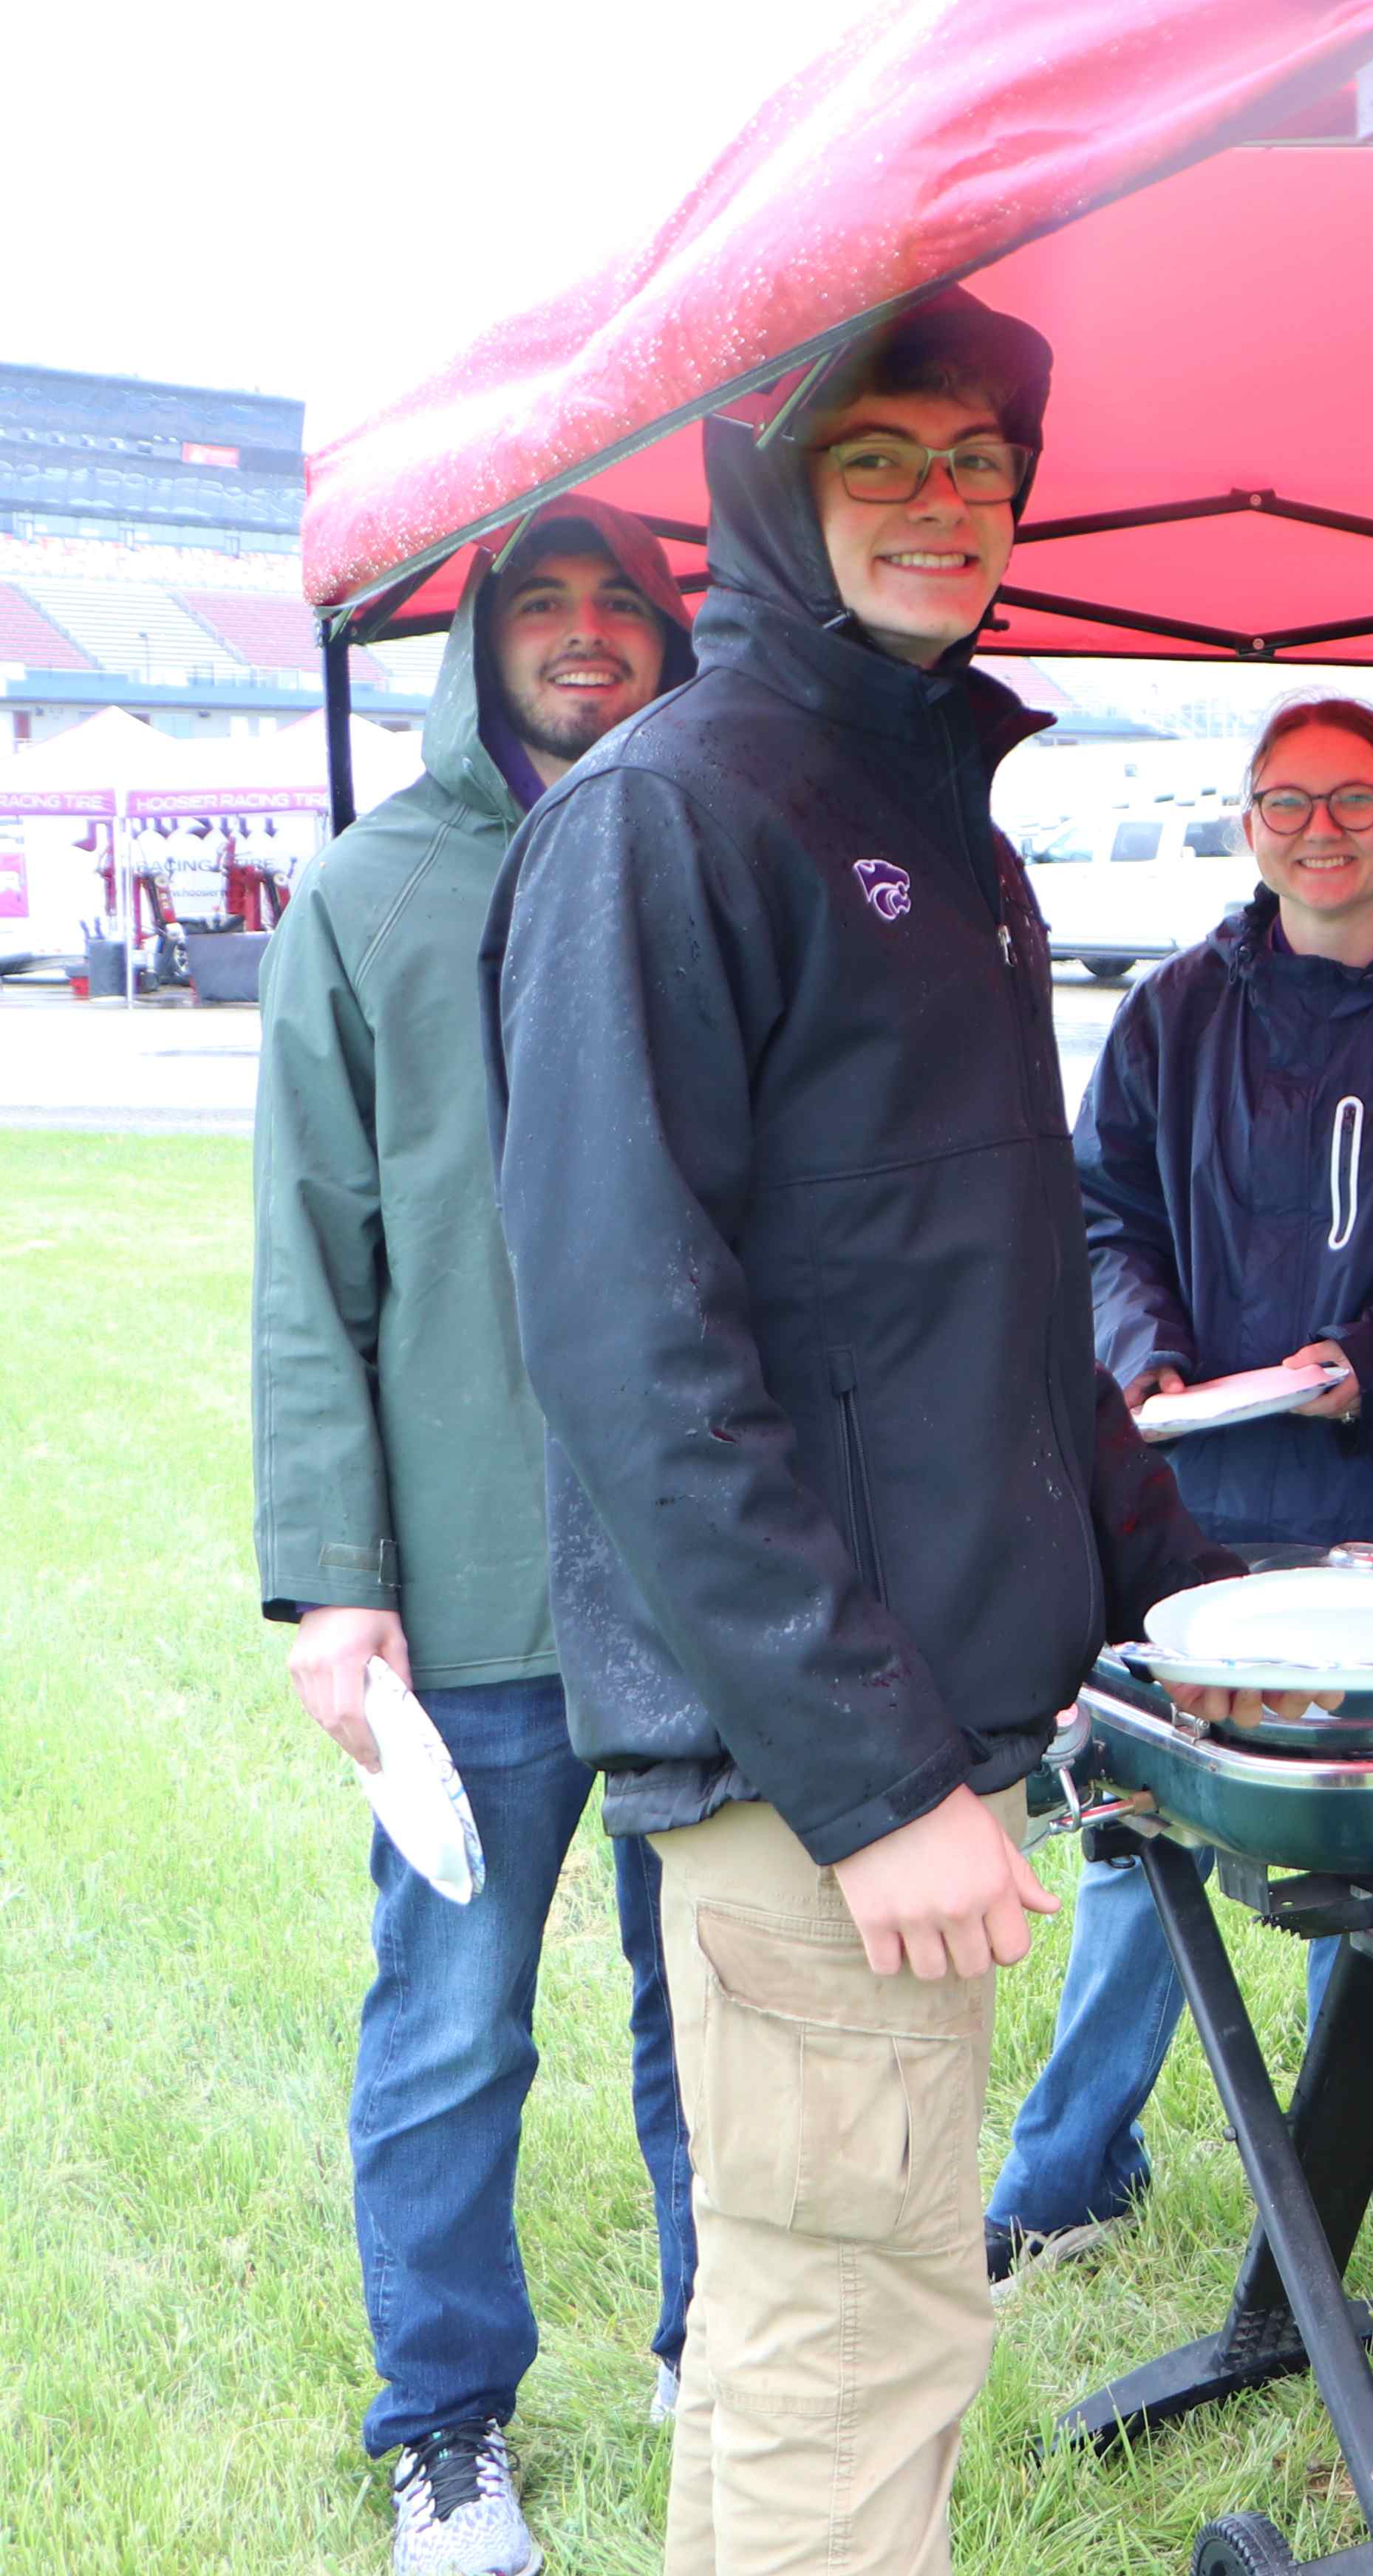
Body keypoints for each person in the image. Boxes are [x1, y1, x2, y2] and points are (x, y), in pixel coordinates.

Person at [483, 289, 1239, 2576]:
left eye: (980, 465)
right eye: (886, 455)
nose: (947, 503)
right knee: (867, 2316)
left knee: (801, 2321)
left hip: (910, 1731)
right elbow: (633, 1353)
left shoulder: (929, 816)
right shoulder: (679, 813)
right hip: (818, 1774)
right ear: (777, 491)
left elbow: (987, 1317)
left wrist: (1213, 1602)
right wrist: (881, 1775)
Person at [254, 494, 700, 2575]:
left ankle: (734, 2359)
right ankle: (446, 2426)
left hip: (711, 1583)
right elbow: (309, 1266)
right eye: (548, 601)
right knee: (453, 2025)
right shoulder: (364, 899)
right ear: (479, 634)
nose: (592, 635)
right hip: (478, 1590)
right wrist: (335, 1580)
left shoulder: (714, 842)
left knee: (712, 1999)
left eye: (627, 600)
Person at [987, 695, 1373, 2283]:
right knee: (1141, 1844)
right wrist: (1147, 1356)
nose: (1324, 828)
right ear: (1246, 822)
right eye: (1287, 802)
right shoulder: (1178, 1008)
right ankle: (1065, 2171)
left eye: (1357, 798)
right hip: (1194, 1508)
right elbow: (1100, 1207)